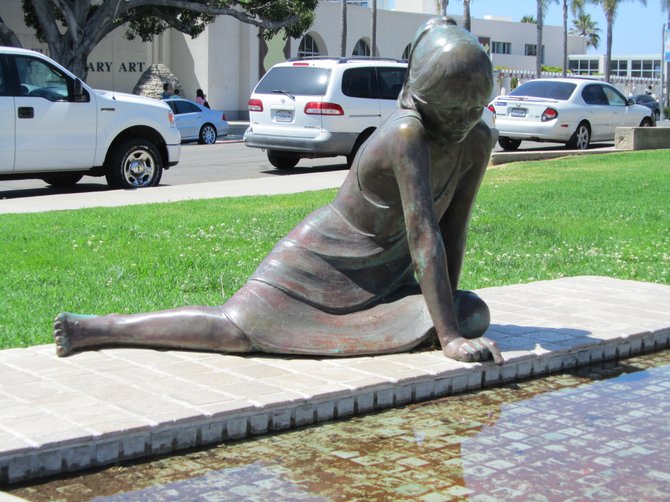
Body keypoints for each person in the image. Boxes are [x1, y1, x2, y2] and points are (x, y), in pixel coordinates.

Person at [54, 17, 503, 366]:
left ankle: (409, 324)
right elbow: (424, 233)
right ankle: (98, 328)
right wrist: (447, 337)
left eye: (473, 106)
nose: (464, 119)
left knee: (472, 312)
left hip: (385, 275)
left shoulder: (478, 138)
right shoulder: (406, 134)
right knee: (234, 330)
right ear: (417, 96)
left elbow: (453, 227)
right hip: (324, 257)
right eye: (450, 107)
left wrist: (446, 324)